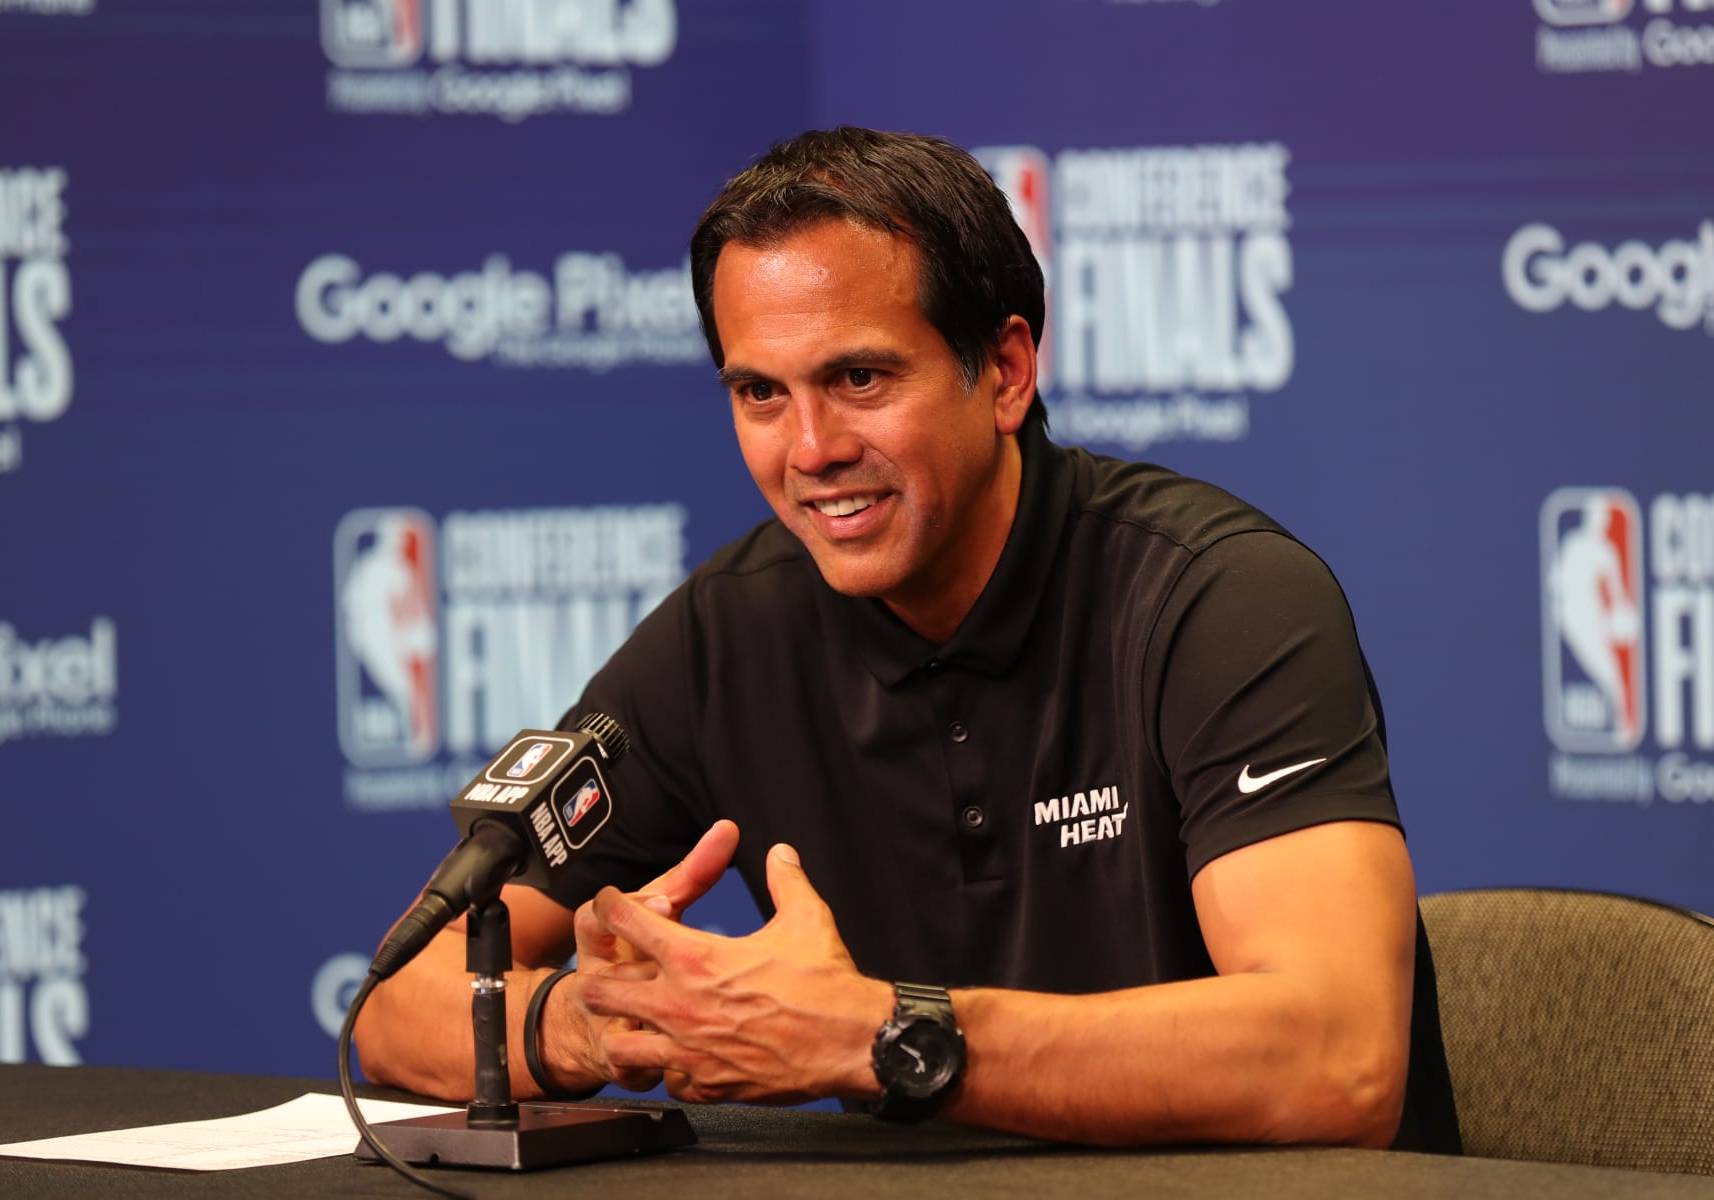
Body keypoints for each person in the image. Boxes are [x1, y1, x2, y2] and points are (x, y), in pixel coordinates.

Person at [355, 126, 1461, 1152]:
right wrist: (599, 1028)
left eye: (860, 378)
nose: (811, 448)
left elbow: (1340, 1058)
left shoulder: (1220, 599)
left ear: (1007, 373)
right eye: (759, 393)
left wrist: (873, 1036)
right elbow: (398, 1001)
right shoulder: (728, 633)